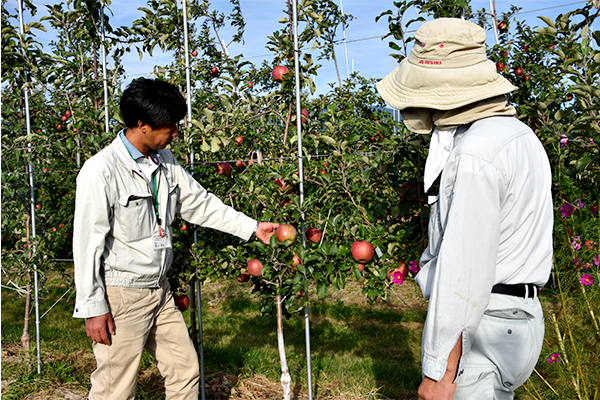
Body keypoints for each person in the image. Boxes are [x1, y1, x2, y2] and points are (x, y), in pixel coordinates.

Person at [376, 18, 553, 400]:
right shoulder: (520, 136)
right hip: (520, 323)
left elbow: (465, 273)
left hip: (482, 327)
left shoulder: (474, 153)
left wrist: (440, 371)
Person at [72, 78, 279, 400]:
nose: (175, 133)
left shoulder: (164, 162)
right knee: (115, 387)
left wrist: (252, 227)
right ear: (142, 125)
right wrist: (93, 306)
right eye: (170, 126)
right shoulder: (101, 170)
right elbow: (87, 243)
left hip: (159, 289)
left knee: (185, 370)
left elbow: (199, 204)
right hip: (122, 294)